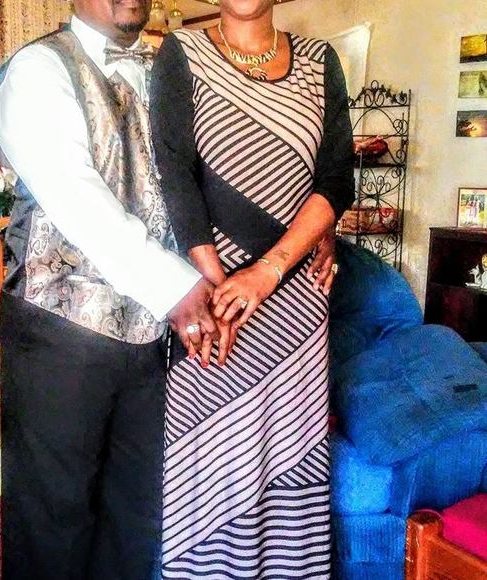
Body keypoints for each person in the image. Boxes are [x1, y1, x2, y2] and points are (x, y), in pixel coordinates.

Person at [0, 0, 225, 577]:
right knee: (52, 522)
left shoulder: (166, 72)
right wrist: (178, 290)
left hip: (148, 337)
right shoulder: (39, 68)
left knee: (133, 519)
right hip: (59, 331)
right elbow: (77, 199)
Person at [149, 0, 355, 575]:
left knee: (288, 455)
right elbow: (175, 175)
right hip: (212, 300)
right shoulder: (182, 53)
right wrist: (221, 291)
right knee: (213, 458)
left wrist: (268, 271)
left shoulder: (319, 60)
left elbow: (337, 178)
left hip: (294, 301)